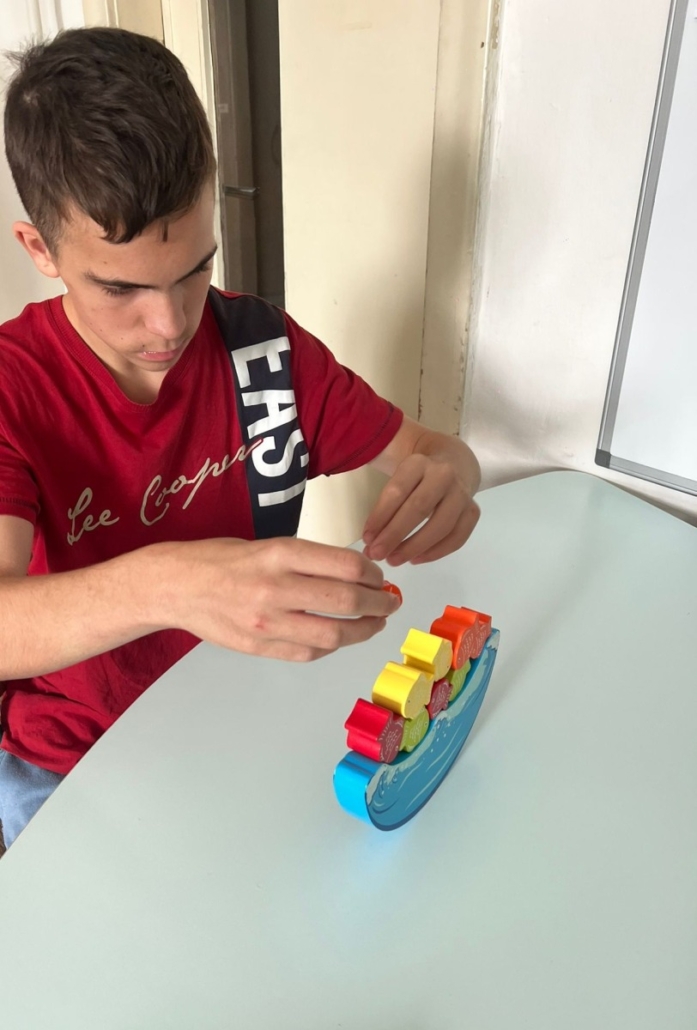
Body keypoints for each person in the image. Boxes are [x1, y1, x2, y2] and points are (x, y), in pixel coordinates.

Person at [0, 27, 481, 850]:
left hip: (239, 728)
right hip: (71, 766)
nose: (170, 324)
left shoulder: (261, 350)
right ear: (40, 249)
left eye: (196, 269)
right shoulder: (14, 386)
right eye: (121, 288)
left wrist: (451, 473)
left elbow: (433, 451)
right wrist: (166, 584)